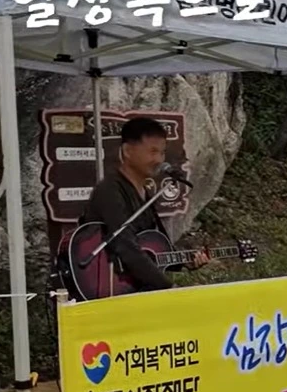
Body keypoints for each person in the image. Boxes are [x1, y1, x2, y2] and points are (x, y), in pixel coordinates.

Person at [78, 117, 208, 291]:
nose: (159, 160)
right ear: (127, 151)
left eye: (162, 153)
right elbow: (124, 245)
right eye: (152, 151)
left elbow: (148, 251)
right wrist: (168, 287)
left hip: (138, 287)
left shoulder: (144, 194)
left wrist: (184, 261)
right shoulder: (110, 190)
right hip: (108, 286)